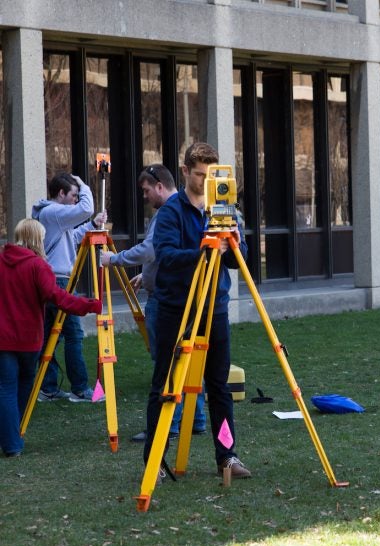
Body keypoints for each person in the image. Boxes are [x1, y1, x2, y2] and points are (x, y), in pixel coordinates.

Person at [144, 142, 251, 479]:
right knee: (164, 385)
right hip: (176, 308)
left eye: (211, 175)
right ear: (186, 171)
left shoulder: (223, 207)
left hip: (214, 307)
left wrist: (231, 241)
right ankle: (154, 460)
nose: (205, 181)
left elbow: (238, 259)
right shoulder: (170, 212)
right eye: (200, 174)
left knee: (219, 387)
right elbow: (167, 258)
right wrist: (204, 250)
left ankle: (227, 456)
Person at [99, 164, 206, 441]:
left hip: (166, 300)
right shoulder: (179, 210)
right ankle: (196, 418)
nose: (145, 196)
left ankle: (167, 424)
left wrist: (115, 259)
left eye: (146, 190)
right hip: (173, 293)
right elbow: (163, 255)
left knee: (167, 362)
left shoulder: (168, 212)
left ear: (160, 185)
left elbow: (152, 249)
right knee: (185, 358)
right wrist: (146, 277)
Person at [0, 219, 102, 457]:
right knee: (22, 385)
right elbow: (58, 297)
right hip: (28, 339)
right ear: (37, 238)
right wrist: (89, 305)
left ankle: (10, 436)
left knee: (6, 387)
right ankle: (12, 439)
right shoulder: (38, 266)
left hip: (4, 339)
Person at [31, 172, 107, 403]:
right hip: (59, 280)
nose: (76, 198)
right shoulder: (52, 212)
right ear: (61, 193)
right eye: (73, 194)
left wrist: (93, 225)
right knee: (73, 334)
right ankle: (80, 388)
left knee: (48, 336)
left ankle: (48, 386)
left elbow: (71, 237)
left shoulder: (51, 216)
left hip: (53, 278)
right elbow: (85, 209)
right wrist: (84, 184)